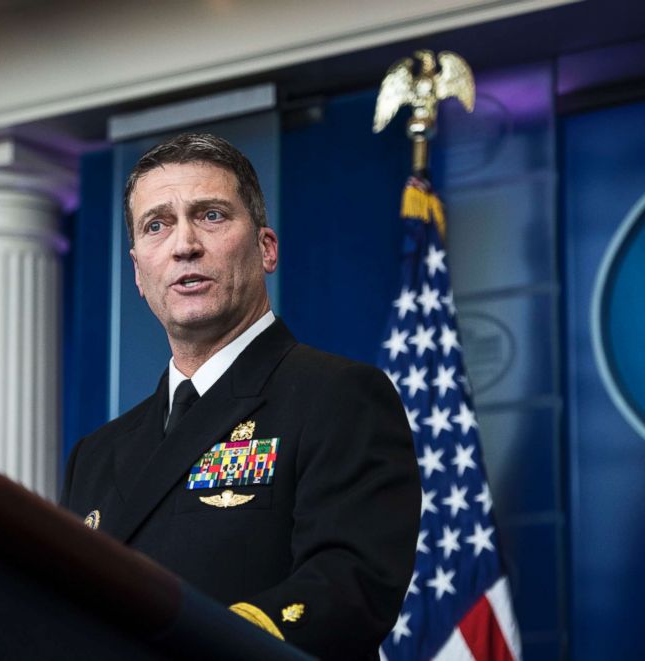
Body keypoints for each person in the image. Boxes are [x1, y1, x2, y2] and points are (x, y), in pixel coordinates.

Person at [60, 133, 420, 660]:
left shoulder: (337, 395)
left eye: (210, 216)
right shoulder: (95, 456)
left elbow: (349, 586)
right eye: (156, 225)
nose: (184, 244)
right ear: (138, 272)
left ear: (266, 248)